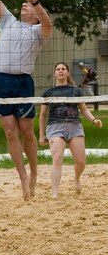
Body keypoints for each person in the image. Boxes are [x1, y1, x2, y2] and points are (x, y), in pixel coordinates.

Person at [0, 0, 53, 201]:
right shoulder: (8, 22)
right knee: (9, 131)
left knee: (26, 131)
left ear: (35, 14)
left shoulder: (39, 31)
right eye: (23, 5)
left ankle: (34, 172)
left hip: (22, 82)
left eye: (28, 7)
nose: (24, 7)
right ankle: (23, 177)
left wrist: (34, 0)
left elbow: (48, 22)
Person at [39, 62, 102, 198]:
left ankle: (77, 178)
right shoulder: (48, 93)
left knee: (80, 162)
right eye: (58, 69)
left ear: (67, 73)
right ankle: (54, 193)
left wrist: (93, 120)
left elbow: (84, 109)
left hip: (74, 126)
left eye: (63, 69)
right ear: (54, 73)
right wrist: (41, 134)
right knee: (57, 159)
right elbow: (43, 114)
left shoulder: (75, 91)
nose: (60, 71)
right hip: (55, 126)